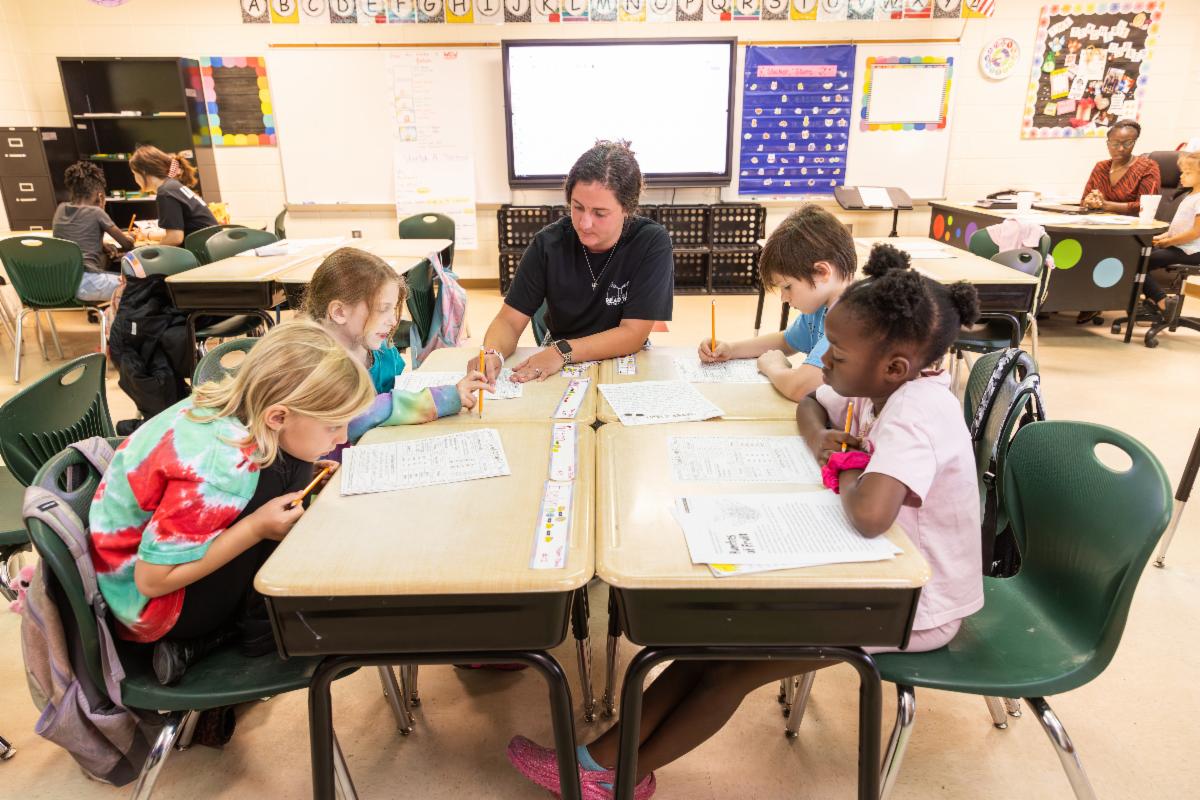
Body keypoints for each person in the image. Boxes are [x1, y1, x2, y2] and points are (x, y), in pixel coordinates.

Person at [506, 244, 984, 799]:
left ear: (894, 366)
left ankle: (614, 776)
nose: (824, 363)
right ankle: (600, 761)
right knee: (711, 644)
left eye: (838, 356)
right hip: (870, 581)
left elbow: (872, 515)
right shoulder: (884, 382)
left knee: (733, 665)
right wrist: (820, 438)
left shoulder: (919, 411)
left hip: (911, 606)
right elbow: (813, 405)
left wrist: (843, 463)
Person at [88, 320, 375, 686]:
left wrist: (307, 471)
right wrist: (255, 528)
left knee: (295, 466)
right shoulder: (222, 466)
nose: (342, 437)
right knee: (281, 493)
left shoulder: (240, 408)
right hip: (153, 608)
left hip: (150, 572)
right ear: (278, 416)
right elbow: (152, 580)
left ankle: (245, 625)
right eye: (333, 426)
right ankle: (252, 633)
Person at [472, 140, 673, 383]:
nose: (584, 223)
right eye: (577, 207)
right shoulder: (548, 244)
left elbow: (633, 335)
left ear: (627, 209)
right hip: (558, 353)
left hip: (620, 353)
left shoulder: (650, 242)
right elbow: (509, 321)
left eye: (600, 213)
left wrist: (563, 352)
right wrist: (492, 353)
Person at [302, 247, 488, 445]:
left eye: (393, 309)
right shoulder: (315, 367)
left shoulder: (382, 353)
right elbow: (357, 417)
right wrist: (443, 398)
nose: (393, 321)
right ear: (339, 312)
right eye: (383, 309)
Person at [699, 205, 856, 402]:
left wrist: (773, 367)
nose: (784, 298)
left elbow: (801, 388)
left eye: (788, 287)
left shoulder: (851, 319)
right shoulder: (821, 308)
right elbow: (786, 341)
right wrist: (731, 349)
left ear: (822, 272)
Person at [1076, 119, 1162, 324]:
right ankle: (1064, 298)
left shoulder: (1147, 167)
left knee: (1105, 249)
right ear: (1107, 143)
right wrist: (1091, 201)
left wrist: (1107, 205)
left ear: (1135, 143)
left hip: (1133, 232)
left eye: (1127, 143)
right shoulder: (1101, 167)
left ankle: (1093, 301)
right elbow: (1084, 199)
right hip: (1100, 227)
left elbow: (1145, 205)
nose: (1120, 149)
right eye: (1114, 143)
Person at [51, 161, 135, 303]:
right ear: (100, 196)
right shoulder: (96, 212)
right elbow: (127, 245)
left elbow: (75, 238)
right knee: (143, 287)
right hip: (89, 285)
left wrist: (102, 245)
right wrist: (132, 236)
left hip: (63, 284)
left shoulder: (60, 209)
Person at [128, 145, 219, 247]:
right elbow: (176, 231)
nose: (135, 179)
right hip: (212, 246)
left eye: (134, 174)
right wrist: (147, 234)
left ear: (143, 172)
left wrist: (154, 250)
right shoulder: (172, 186)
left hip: (202, 252)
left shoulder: (165, 192)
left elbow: (175, 238)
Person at [1144, 151, 1200, 315]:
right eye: (1182, 172)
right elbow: (1177, 228)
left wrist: (1168, 242)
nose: (1182, 176)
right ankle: (1153, 301)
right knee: (1137, 255)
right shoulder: (1189, 195)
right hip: (1179, 246)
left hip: (1191, 251)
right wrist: (1161, 237)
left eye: (1187, 173)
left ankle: (1162, 301)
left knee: (1138, 261)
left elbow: (1195, 233)